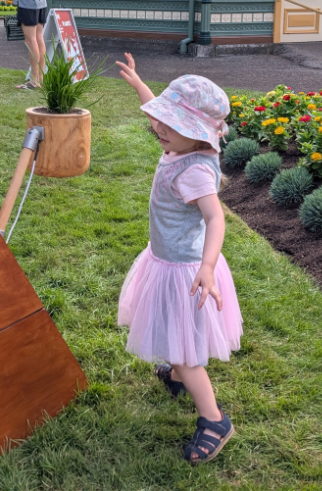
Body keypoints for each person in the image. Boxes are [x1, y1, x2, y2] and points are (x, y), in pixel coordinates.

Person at [115, 57, 242, 464]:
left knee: (188, 355)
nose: (159, 129)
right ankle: (173, 374)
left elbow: (215, 217)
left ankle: (214, 420)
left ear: (198, 135)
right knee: (174, 328)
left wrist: (207, 267)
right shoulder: (178, 143)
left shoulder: (195, 172)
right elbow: (162, 117)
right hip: (166, 259)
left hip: (186, 269)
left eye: (171, 125)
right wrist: (139, 85)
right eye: (160, 121)